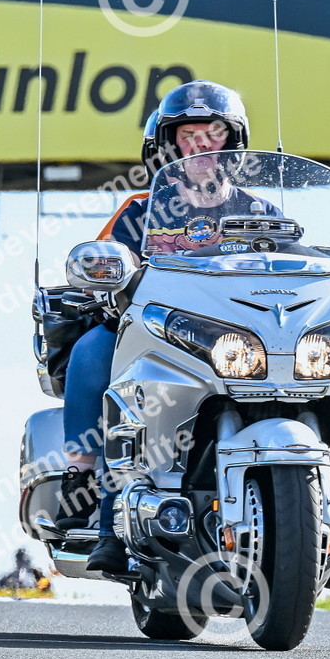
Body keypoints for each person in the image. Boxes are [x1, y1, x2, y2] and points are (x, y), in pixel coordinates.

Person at [58, 80, 257, 573]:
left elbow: (295, 265)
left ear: (231, 143)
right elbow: (101, 267)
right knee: (92, 350)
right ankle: (82, 480)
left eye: (212, 134)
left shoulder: (259, 211)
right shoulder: (139, 211)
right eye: (188, 136)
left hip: (239, 342)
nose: (201, 146)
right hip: (153, 334)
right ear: (169, 146)